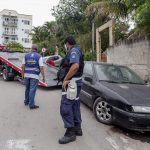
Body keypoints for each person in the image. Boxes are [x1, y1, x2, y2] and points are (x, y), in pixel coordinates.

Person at [58, 35, 84, 144]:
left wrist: (65, 79)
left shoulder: (73, 50)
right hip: (76, 82)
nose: (65, 46)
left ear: (68, 43)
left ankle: (70, 132)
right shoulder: (76, 50)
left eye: (65, 44)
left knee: (65, 106)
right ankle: (77, 128)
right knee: (75, 105)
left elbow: (75, 66)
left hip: (71, 83)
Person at [21, 44, 45, 109]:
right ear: (37, 49)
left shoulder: (26, 55)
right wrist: (43, 77)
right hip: (34, 76)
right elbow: (41, 67)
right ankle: (31, 105)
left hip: (26, 75)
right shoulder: (39, 56)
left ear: (31, 49)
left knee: (27, 89)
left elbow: (23, 66)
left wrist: (22, 74)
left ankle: (26, 102)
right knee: (32, 90)